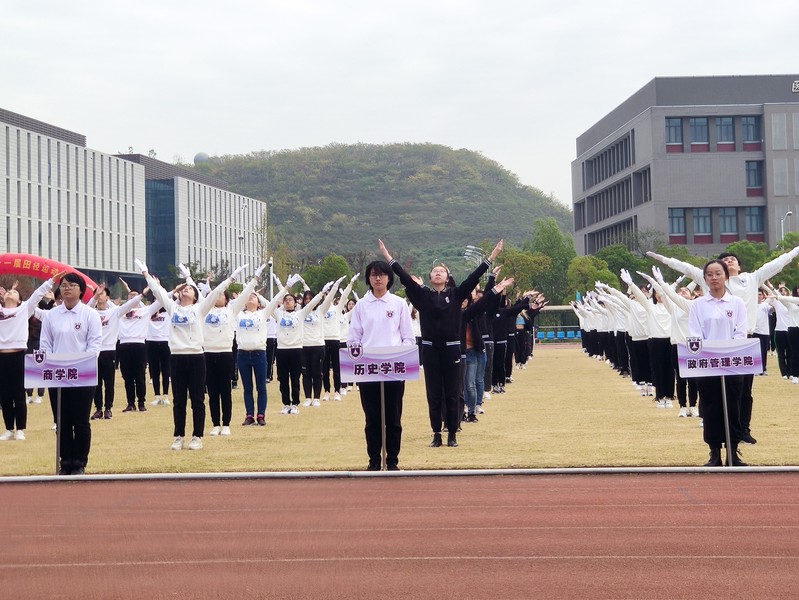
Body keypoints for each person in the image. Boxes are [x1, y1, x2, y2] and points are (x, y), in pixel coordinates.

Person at [649, 246, 799, 444]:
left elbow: (776, 264)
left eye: (732, 259)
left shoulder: (752, 278)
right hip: (714, 343)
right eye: (725, 259)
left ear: (739, 266)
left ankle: (742, 430)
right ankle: (715, 431)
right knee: (712, 390)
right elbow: (686, 268)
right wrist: (665, 259)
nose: (729, 260)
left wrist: (794, 252)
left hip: (744, 341)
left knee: (743, 390)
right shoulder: (712, 278)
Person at [379, 238, 503, 448]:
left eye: (442, 271)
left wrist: (492, 256)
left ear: (447, 277)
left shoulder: (456, 294)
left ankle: (452, 433)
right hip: (430, 349)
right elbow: (404, 277)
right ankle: (436, 432)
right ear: (429, 278)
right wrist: (387, 256)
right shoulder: (423, 295)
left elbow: (473, 277)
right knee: (434, 393)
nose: (438, 273)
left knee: (453, 392)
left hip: (452, 349)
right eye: (435, 271)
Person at [137, 258, 244, 451]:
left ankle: (197, 436)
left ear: (195, 296)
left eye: (189, 289)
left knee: (197, 399)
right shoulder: (173, 308)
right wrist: (146, 274)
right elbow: (158, 292)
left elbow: (216, 293)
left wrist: (231, 278)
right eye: (184, 289)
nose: (186, 290)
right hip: (177, 357)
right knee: (179, 400)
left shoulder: (200, 308)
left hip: (196, 357)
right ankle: (178, 436)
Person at [347, 260, 415, 470]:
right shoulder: (361, 305)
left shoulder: (398, 303)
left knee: (393, 418)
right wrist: (359, 354)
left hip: (394, 368)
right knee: (372, 418)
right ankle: (374, 460)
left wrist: (399, 356)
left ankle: (392, 460)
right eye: (373, 275)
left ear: (388, 278)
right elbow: (353, 338)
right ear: (368, 278)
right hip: (368, 369)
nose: (378, 278)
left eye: (382, 275)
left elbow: (408, 337)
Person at [39, 272, 103, 474]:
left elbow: (94, 345)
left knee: (81, 421)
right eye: (63, 285)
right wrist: (52, 363)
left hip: (82, 374)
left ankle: (79, 462)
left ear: (81, 290)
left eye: (71, 285)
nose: (66, 288)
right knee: (62, 421)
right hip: (57, 374)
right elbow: (45, 343)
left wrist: (79, 364)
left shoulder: (89, 314)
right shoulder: (51, 315)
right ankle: (65, 461)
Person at [687, 260, 748, 467]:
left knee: (733, 406)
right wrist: (709, 353)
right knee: (710, 408)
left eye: (718, 274)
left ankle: (733, 451)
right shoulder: (698, 305)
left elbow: (740, 332)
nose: (714, 278)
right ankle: (714, 452)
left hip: (732, 364)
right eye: (710, 274)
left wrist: (727, 352)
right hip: (707, 364)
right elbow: (695, 334)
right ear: (705, 279)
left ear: (726, 277)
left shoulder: (736, 303)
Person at [0, 274, 61, 441]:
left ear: (20, 300)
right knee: (4, 395)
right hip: (2, 356)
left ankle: (20, 429)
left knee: (18, 393)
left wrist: (51, 281)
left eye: (14, 292)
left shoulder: (24, 309)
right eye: (8, 292)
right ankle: (8, 429)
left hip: (19, 355)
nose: (10, 293)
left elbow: (37, 294)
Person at [88, 282, 154, 419]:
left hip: (109, 350)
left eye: (102, 294)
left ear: (108, 298)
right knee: (96, 383)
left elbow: (129, 305)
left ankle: (108, 409)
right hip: (94, 351)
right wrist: (94, 296)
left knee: (109, 383)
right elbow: (87, 307)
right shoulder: (90, 313)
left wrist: (142, 294)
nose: (99, 296)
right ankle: (98, 409)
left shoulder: (114, 312)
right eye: (97, 294)